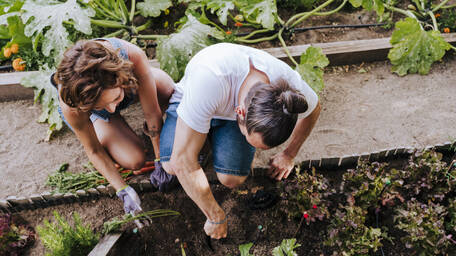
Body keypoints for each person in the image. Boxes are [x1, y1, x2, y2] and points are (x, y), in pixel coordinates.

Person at [158, 43, 321, 239]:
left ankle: (202, 138)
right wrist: (215, 216)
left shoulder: (289, 91)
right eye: (250, 140)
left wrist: (289, 154)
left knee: (231, 178)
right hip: (193, 100)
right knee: (170, 165)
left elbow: (314, 108)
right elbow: (181, 161)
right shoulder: (210, 78)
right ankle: (200, 134)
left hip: (225, 112)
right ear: (241, 113)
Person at [54, 38, 175, 223]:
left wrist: (160, 159)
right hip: (94, 115)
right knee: (134, 161)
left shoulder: (132, 56)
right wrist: (123, 190)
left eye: (114, 98)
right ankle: (106, 125)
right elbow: (93, 150)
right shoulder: (73, 105)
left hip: (128, 85)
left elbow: (152, 113)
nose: (111, 108)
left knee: (166, 88)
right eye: (103, 104)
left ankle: (121, 106)